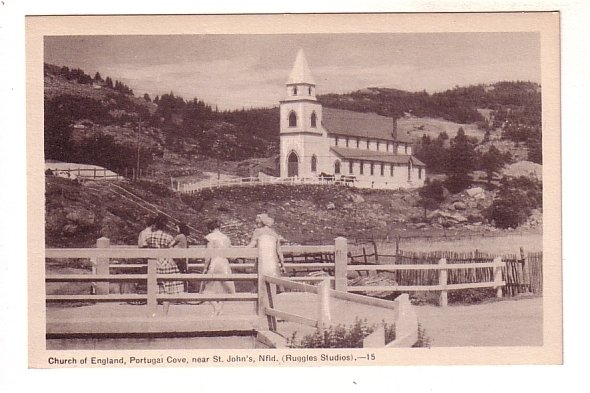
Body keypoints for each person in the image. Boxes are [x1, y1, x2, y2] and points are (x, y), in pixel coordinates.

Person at [144, 214, 185, 315]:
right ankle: (164, 314)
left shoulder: (149, 236)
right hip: (166, 263)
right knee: (166, 290)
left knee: (155, 290)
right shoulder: (168, 237)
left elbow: (145, 246)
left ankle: (153, 313)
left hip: (154, 264)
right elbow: (171, 249)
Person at [201, 219, 235, 316]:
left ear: (210, 228)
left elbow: (208, 254)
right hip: (224, 263)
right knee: (225, 288)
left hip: (214, 263)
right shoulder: (225, 238)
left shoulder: (210, 238)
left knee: (207, 289)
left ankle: (216, 308)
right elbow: (230, 254)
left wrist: (205, 267)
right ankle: (219, 308)